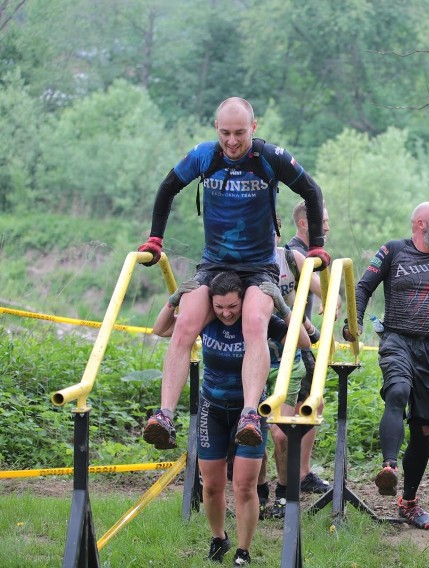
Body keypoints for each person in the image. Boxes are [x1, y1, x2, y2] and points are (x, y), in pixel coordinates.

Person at [138, 97, 330, 451]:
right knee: (185, 323)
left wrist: (316, 244)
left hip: (258, 267)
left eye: (239, 133)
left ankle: (248, 416)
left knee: (254, 322)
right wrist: (155, 239)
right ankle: (164, 415)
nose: (232, 141)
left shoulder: (269, 158)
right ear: (216, 130)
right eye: (225, 133)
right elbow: (167, 188)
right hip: (214, 265)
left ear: (253, 128)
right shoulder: (204, 156)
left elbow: (311, 190)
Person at [152, 271, 308, 565]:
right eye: (220, 306)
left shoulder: (257, 321)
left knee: (244, 485)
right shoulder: (207, 319)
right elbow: (160, 329)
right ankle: (219, 538)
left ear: (242, 302)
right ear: (212, 302)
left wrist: (282, 306)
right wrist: (173, 301)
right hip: (212, 409)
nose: (226, 313)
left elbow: (303, 341)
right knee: (212, 484)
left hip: (249, 413)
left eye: (232, 307)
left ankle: (243, 551)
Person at [342, 202, 429, 530]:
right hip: (397, 339)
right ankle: (388, 467)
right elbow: (362, 288)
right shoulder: (393, 251)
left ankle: (409, 502)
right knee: (398, 391)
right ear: (421, 224)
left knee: (423, 428)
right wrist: (354, 322)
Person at [263, 217, 330, 519]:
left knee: (286, 428)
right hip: (254, 353)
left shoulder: (290, 257)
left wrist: (331, 303)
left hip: (292, 349)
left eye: (270, 232)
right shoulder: (240, 265)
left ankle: (288, 487)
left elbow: (326, 288)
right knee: (254, 427)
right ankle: (260, 490)